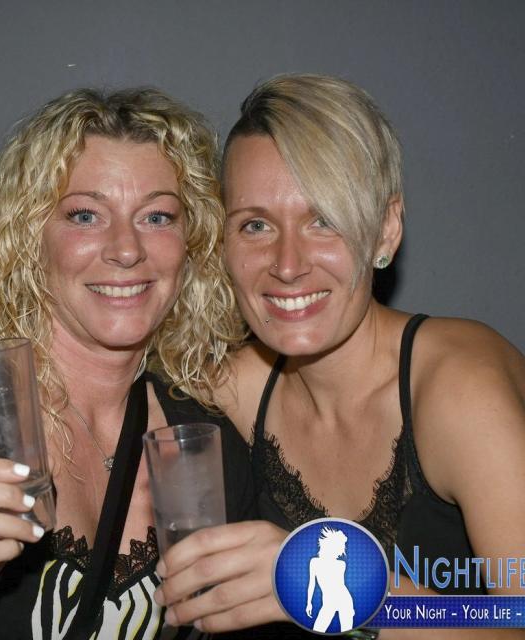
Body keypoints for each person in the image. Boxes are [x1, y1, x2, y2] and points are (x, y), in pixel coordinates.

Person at [154, 74, 525, 639]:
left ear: (385, 230)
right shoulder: (233, 390)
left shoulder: (459, 388)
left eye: (323, 219)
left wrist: (337, 584)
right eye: (255, 225)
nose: (287, 264)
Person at [0, 87, 255, 639]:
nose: (126, 249)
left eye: (157, 216)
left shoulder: (206, 439)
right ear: (29, 237)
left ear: (192, 243)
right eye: (85, 215)